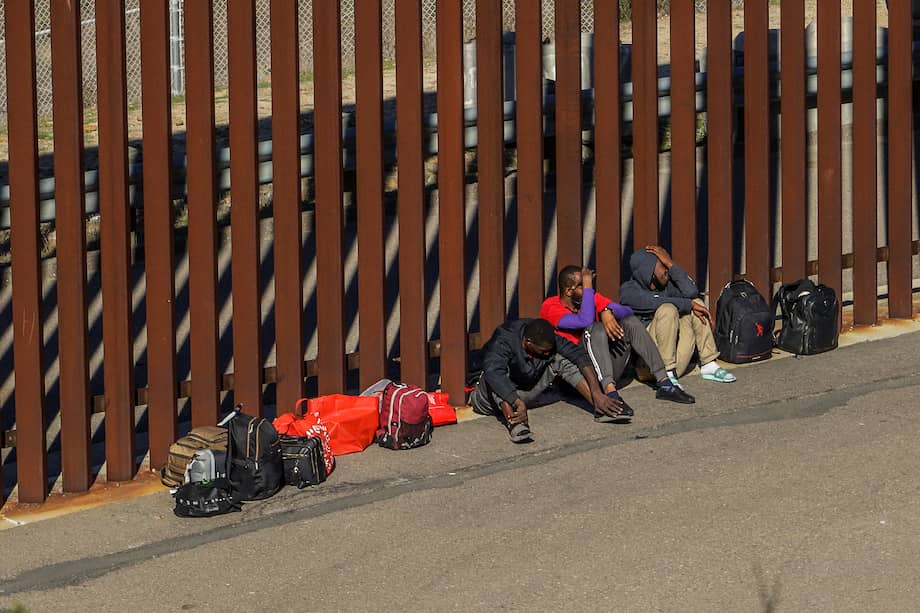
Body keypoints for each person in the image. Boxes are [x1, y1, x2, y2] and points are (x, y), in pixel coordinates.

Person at [540, 265, 696, 414]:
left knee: (630, 321)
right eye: (583, 286)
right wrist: (590, 291)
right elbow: (585, 321)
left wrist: (606, 310)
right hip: (581, 378)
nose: (589, 290)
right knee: (595, 328)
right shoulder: (550, 307)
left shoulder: (589, 296)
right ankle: (611, 394)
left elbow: (627, 311)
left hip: (604, 367)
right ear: (568, 291)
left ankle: (664, 382)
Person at [470, 318, 624, 443]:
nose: (547, 353)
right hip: (487, 398)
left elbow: (579, 356)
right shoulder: (505, 339)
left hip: (522, 392)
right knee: (498, 375)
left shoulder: (545, 336)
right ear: (527, 343)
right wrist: (517, 402)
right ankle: (515, 424)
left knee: (560, 360)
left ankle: (599, 406)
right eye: (543, 351)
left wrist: (597, 392)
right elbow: (493, 373)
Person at [619, 245, 736, 385]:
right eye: (663, 265)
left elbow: (691, 292)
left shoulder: (667, 285)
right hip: (649, 366)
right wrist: (688, 305)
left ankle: (708, 364)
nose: (667, 270)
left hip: (676, 362)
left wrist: (671, 264)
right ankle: (666, 375)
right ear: (647, 271)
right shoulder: (628, 291)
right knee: (668, 309)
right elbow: (653, 301)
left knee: (696, 302)